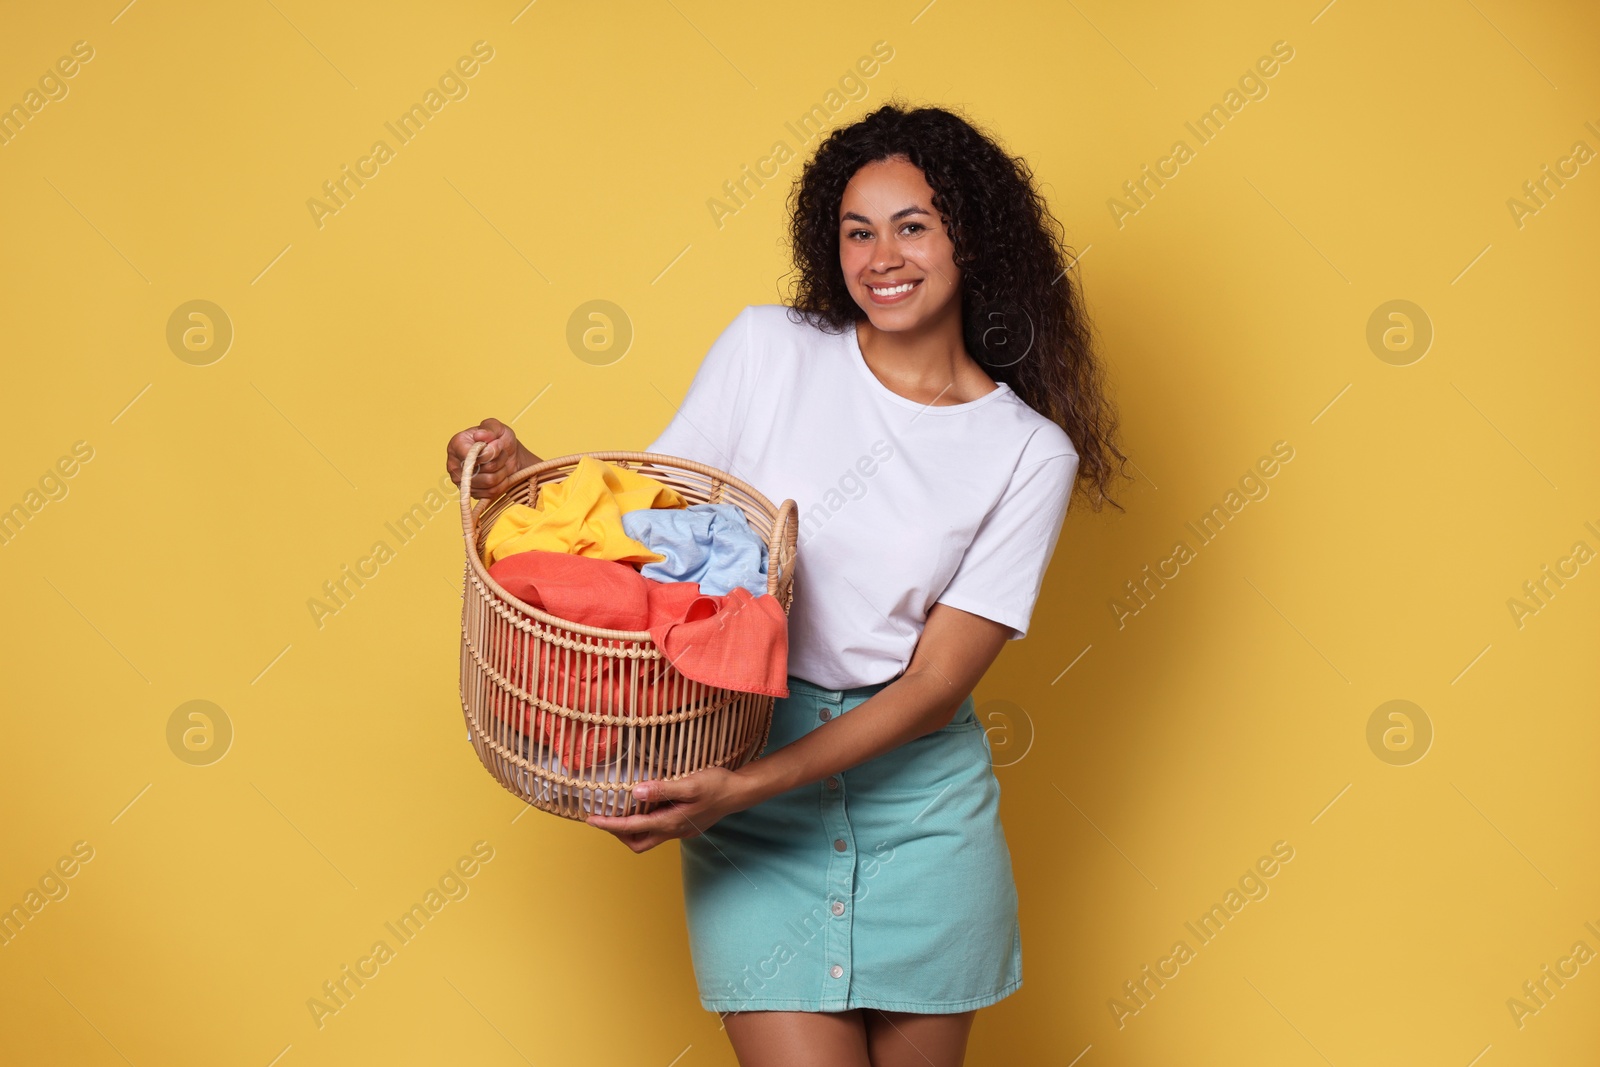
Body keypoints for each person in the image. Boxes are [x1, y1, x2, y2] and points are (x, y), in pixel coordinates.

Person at [446, 102, 1127, 1067]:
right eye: (857, 231)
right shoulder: (769, 350)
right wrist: (521, 475)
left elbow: (936, 685)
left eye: (912, 226)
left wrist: (741, 788)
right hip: (748, 769)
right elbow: (649, 530)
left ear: (971, 239)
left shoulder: (1027, 452)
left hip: (917, 812)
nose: (881, 256)